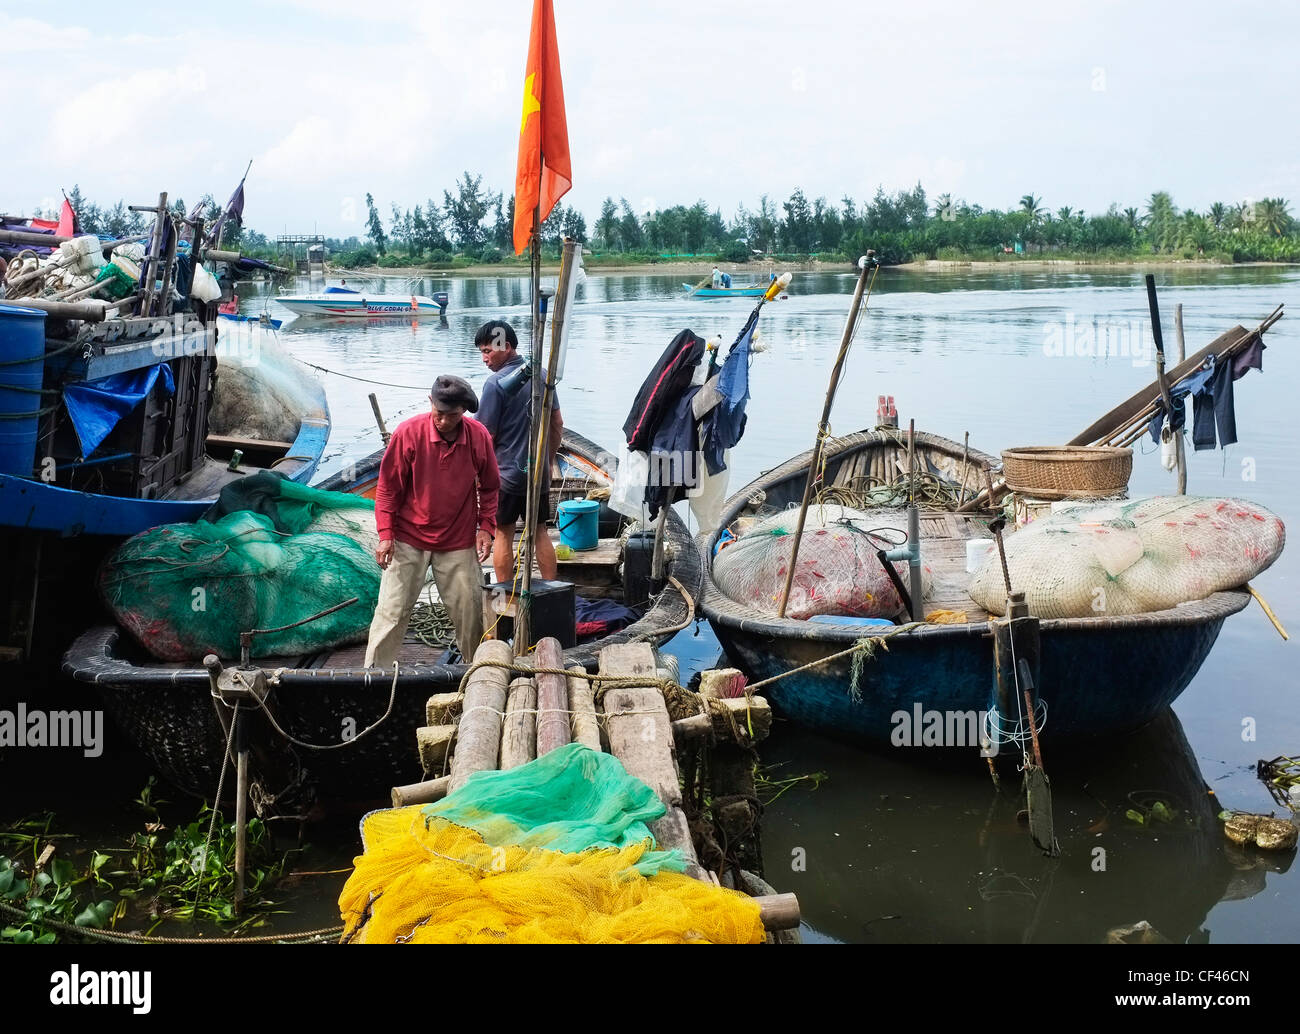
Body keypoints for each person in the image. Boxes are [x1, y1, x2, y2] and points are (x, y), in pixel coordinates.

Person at [364, 374, 499, 666]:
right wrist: (386, 534)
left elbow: (489, 487)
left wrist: (486, 528)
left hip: (458, 539)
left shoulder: (478, 437)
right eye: (438, 414)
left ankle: (476, 672)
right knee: (391, 610)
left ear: (462, 411)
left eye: (450, 416)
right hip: (408, 537)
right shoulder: (408, 434)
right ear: (430, 403)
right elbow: (387, 489)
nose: (442, 421)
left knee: (469, 610)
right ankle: (373, 677)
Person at [475, 319, 563, 586]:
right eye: (481, 352)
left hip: (507, 476)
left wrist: (478, 476)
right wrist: (548, 460)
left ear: (507, 346)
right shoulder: (544, 375)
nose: (484, 359)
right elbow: (557, 422)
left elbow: (484, 437)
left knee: (503, 533)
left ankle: (505, 598)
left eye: (488, 351)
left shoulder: (494, 384)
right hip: (538, 473)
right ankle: (553, 590)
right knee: (540, 532)